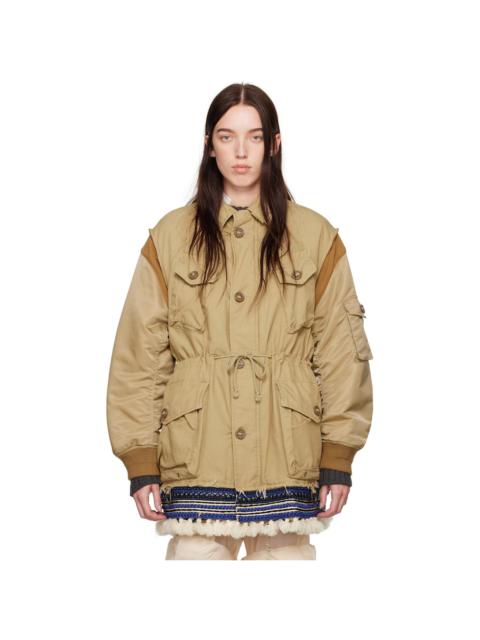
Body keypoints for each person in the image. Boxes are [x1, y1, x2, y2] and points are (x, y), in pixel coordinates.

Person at [106, 82, 374, 561]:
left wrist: (339, 452)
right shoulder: (171, 236)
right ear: (209, 145)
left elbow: (340, 354)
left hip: (287, 458)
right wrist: (139, 457)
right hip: (196, 458)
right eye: (227, 137)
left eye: (254, 136)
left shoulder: (315, 236)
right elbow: (139, 356)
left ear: (274, 143)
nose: (241, 151)